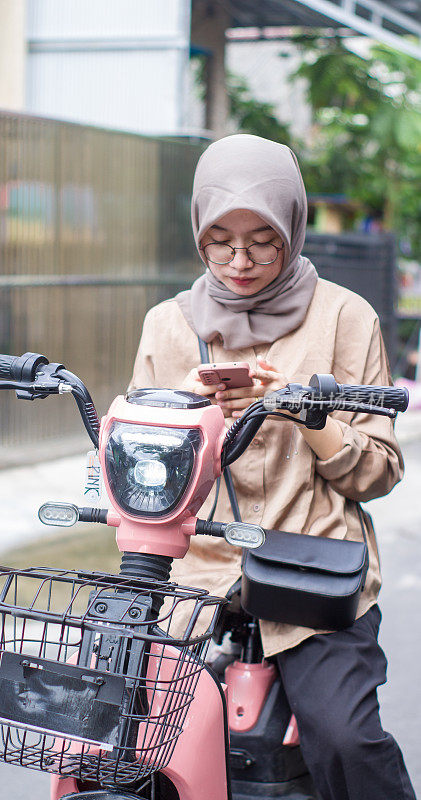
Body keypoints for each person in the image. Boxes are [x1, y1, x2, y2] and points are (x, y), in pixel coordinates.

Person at [128, 135, 416, 800]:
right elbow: (136, 459)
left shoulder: (344, 316)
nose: (239, 260)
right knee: (128, 734)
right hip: (195, 573)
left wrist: (297, 411)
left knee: (345, 739)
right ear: (197, 230)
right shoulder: (167, 326)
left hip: (313, 571)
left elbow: (377, 471)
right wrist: (189, 418)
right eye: (219, 239)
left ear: (291, 222)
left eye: (262, 238)